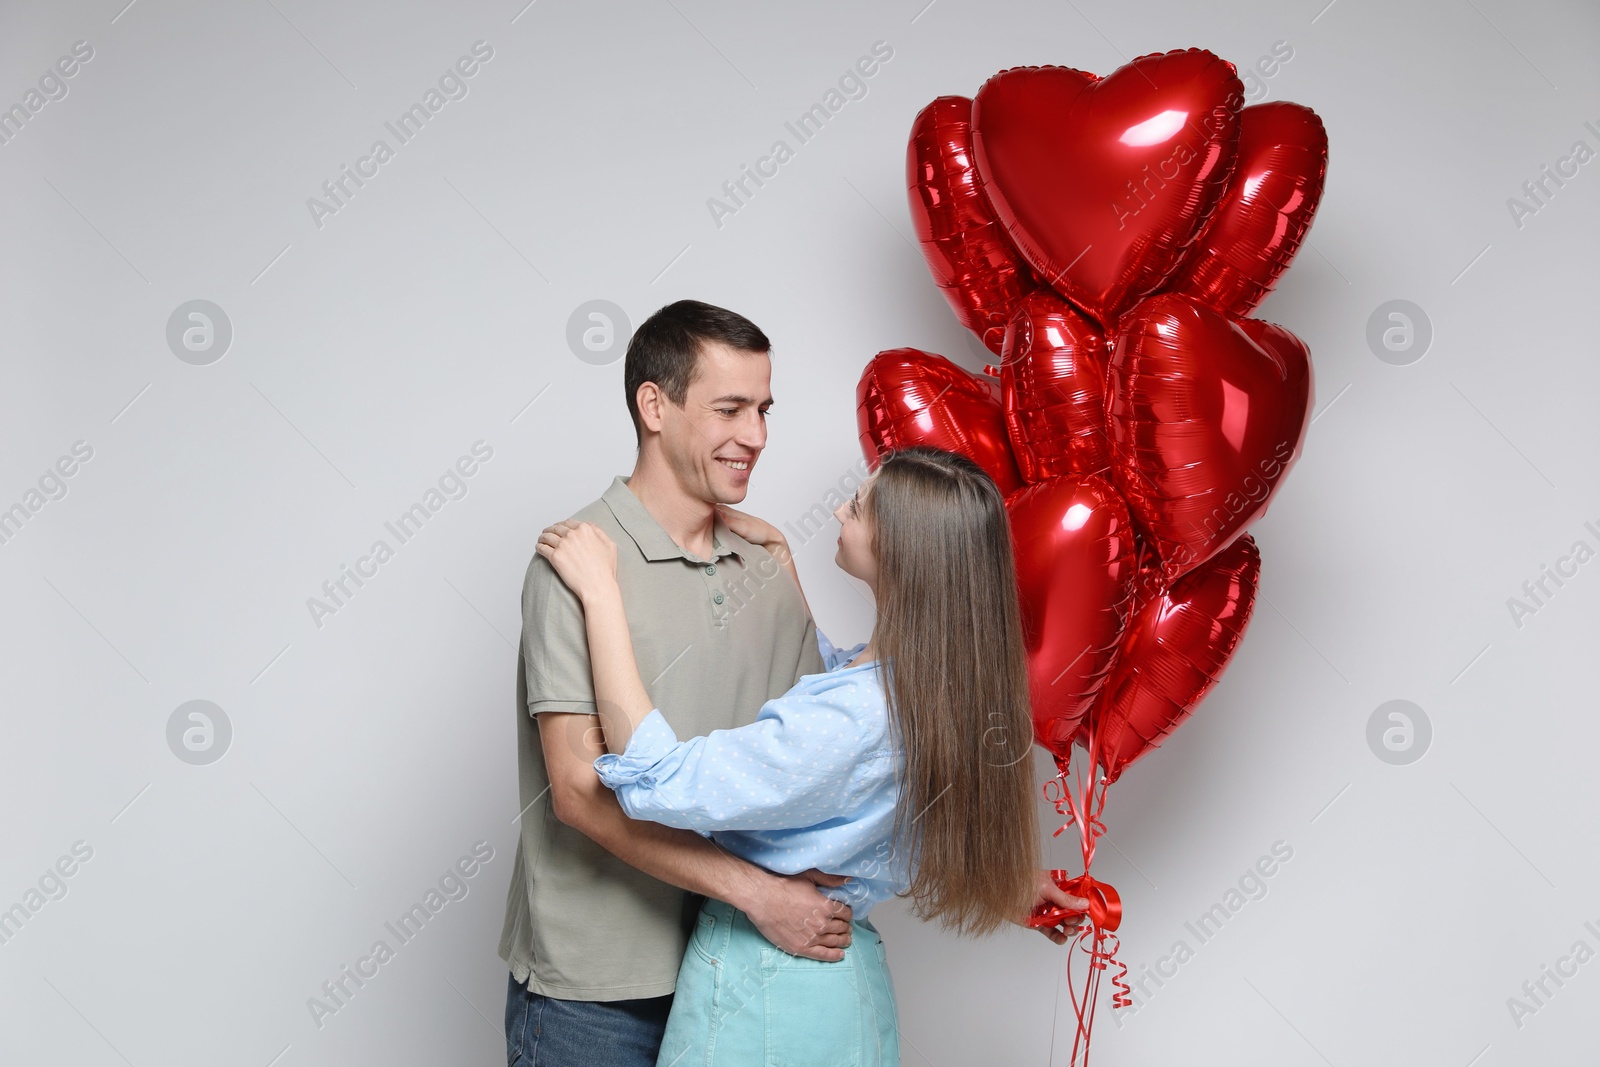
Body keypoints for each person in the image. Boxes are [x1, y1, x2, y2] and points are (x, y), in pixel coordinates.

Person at [537, 446, 1091, 1066]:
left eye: (855, 508)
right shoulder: (933, 691)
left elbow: (657, 781)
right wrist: (782, 563)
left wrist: (600, 595)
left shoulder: (857, 720)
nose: (837, 511)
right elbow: (829, 688)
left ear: (898, 554)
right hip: (839, 982)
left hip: (772, 995)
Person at [500, 300, 864, 1067]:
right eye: (730, 408)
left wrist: (1006, 877)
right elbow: (577, 791)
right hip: (599, 996)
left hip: (741, 970)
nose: (757, 436)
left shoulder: (766, 564)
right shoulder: (576, 563)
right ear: (654, 405)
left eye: (763, 409)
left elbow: (824, 755)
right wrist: (761, 894)